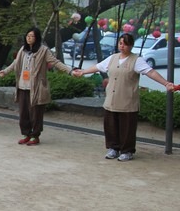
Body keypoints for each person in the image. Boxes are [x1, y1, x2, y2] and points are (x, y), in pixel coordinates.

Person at [73, 33, 175, 161]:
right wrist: (82, 72)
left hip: (127, 100)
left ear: (131, 45)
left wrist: (166, 83)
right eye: (121, 43)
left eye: (126, 44)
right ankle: (113, 148)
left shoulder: (136, 60)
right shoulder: (113, 58)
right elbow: (98, 66)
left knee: (127, 127)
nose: (122, 46)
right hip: (112, 99)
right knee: (110, 125)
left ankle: (127, 151)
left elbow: (151, 72)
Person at [0, 27, 74, 145]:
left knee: (35, 113)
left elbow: (55, 62)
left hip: (36, 87)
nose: (29, 38)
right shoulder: (23, 49)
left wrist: (70, 71)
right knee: (23, 113)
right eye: (28, 36)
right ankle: (26, 134)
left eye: (32, 36)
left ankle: (35, 135)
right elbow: (15, 63)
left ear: (37, 37)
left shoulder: (43, 50)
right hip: (23, 86)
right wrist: (5, 71)